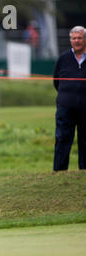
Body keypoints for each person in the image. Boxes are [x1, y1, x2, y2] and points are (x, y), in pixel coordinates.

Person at [53, 26, 86, 171]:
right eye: (74, 38)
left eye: (79, 37)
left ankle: (84, 173)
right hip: (65, 108)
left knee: (85, 142)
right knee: (62, 140)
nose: (76, 41)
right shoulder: (63, 58)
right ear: (70, 40)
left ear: (85, 39)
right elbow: (56, 81)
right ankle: (59, 173)